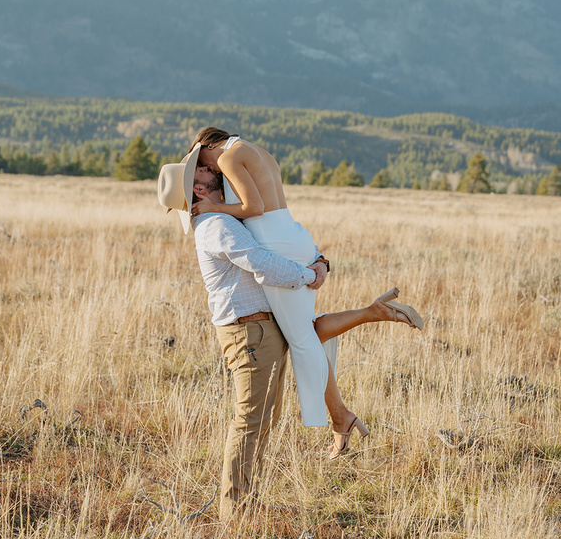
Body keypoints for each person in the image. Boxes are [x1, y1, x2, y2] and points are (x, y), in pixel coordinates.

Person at [157, 148, 419, 519]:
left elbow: (275, 241)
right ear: (199, 190)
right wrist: (309, 275)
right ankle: (235, 510)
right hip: (248, 332)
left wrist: (320, 261)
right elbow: (260, 262)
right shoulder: (216, 225)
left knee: (264, 418)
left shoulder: (227, 217)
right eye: (198, 170)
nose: (207, 166)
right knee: (250, 419)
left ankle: (248, 499)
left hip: (262, 328)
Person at [188, 128, 423, 456]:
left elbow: (254, 208)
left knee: (303, 338)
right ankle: (344, 409)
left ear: (206, 147)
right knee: (307, 331)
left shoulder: (227, 159)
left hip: (273, 242)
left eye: (201, 162)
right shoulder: (256, 151)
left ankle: (341, 415)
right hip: (294, 235)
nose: (207, 168)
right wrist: (317, 259)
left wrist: (213, 210)